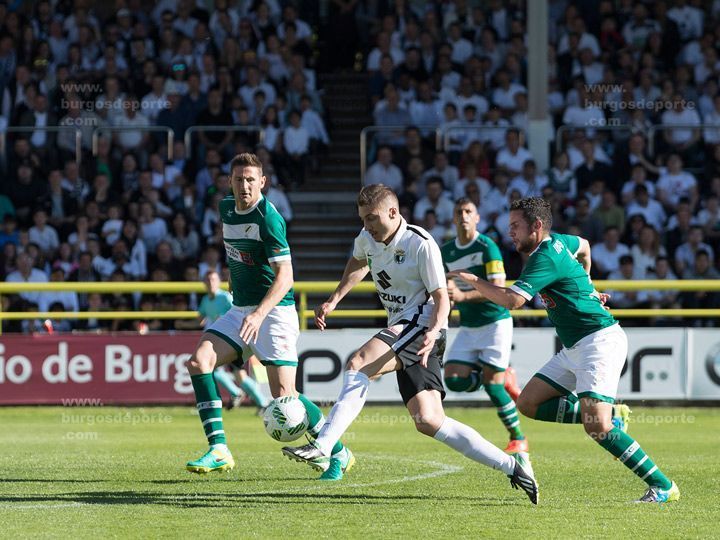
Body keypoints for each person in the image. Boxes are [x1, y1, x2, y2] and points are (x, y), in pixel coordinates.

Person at [282, 184, 538, 504]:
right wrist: (334, 299)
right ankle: (513, 465)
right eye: (362, 219)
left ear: (393, 212)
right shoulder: (367, 238)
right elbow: (358, 261)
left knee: (359, 363)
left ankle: (324, 445)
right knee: (428, 420)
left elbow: (442, 297)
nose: (367, 226)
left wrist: (434, 330)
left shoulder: (421, 243)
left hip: (422, 323)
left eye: (372, 218)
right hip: (406, 327)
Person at [449, 197, 679, 504]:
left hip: (599, 341)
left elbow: (513, 301)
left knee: (596, 426)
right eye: (510, 227)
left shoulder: (545, 257)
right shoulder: (559, 242)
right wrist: (587, 283)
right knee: (529, 403)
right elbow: (584, 246)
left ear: (537, 226)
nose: (511, 233)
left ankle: (663, 485)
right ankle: (613, 418)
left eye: (516, 227)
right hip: (575, 346)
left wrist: (474, 281)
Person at [184, 153, 353, 480]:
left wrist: (260, 313)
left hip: (274, 313)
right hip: (240, 310)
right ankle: (219, 449)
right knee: (198, 361)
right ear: (229, 182)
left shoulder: (269, 219)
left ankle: (339, 452)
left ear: (263, 182)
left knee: (284, 397)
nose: (244, 185)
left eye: (251, 179)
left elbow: (286, 276)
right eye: (238, 179)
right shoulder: (225, 208)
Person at [441, 198, 527, 454]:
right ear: (454, 218)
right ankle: (501, 376)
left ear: (477, 218)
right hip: (468, 326)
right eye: (459, 212)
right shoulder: (445, 252)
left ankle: (518, 437)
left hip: (494, 322)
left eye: (469, 211)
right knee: (453, 380)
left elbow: (499, 288)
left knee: (493, 387)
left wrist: (463, 296)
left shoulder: (487, 246)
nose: (464, 215)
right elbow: (443, 288)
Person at [198, 269, 270, 412]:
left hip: (234, 338)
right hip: (221, 339)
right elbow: (201, 319)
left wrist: (223, 320)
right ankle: (258, 401)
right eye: (207, 280)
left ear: (219, 281)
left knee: (224, 371)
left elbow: (239, 312)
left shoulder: (225, 297)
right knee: (228, 372)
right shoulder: (205, 300)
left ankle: (257, 400)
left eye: (213, 279)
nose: (210, 283)